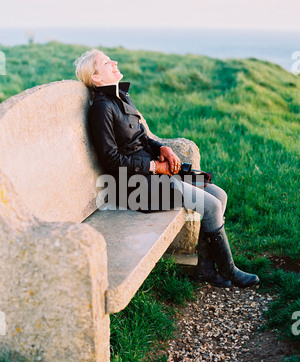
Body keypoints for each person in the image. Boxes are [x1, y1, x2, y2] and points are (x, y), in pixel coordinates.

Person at [74, 49, 259, 289]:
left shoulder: (121, 98)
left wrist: (164, 149)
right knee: (211, 205)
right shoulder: (102, 109)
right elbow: (111, 160)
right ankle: (229, 270)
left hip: (153, 177)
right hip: (134, 188)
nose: (115, 62)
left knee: (219, 195)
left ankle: (205, 268)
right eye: (107, 62)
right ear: (97, 79)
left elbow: (142, 138)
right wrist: (155, 167)